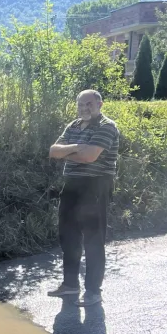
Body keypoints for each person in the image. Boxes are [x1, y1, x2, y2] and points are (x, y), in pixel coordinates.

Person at [47, 89, 120, 307]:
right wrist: (78, 147)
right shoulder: (74, 125)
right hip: (71, 187)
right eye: (81, 104)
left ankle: (93, 292)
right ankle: (70, 286)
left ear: (100, 104)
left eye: (89, 104)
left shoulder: (107, 126)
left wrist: (68, 152)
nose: (84, 108)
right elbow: (53, 151)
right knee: (68, 237)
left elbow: (90, 157)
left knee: (93, 240)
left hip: (96, 187)